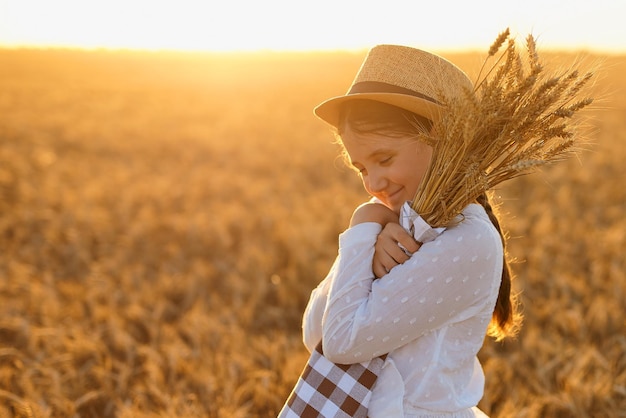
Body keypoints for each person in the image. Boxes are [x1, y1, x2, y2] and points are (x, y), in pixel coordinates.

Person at [301, 45, 521, 417]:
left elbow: (340, 342)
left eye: (384, 159)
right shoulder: (400, 226)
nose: (373, 184)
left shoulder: (468, 240)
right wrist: (368, 239)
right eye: (361, 169)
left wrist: (362, 224)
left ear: (444, 140)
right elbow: (314, 334)